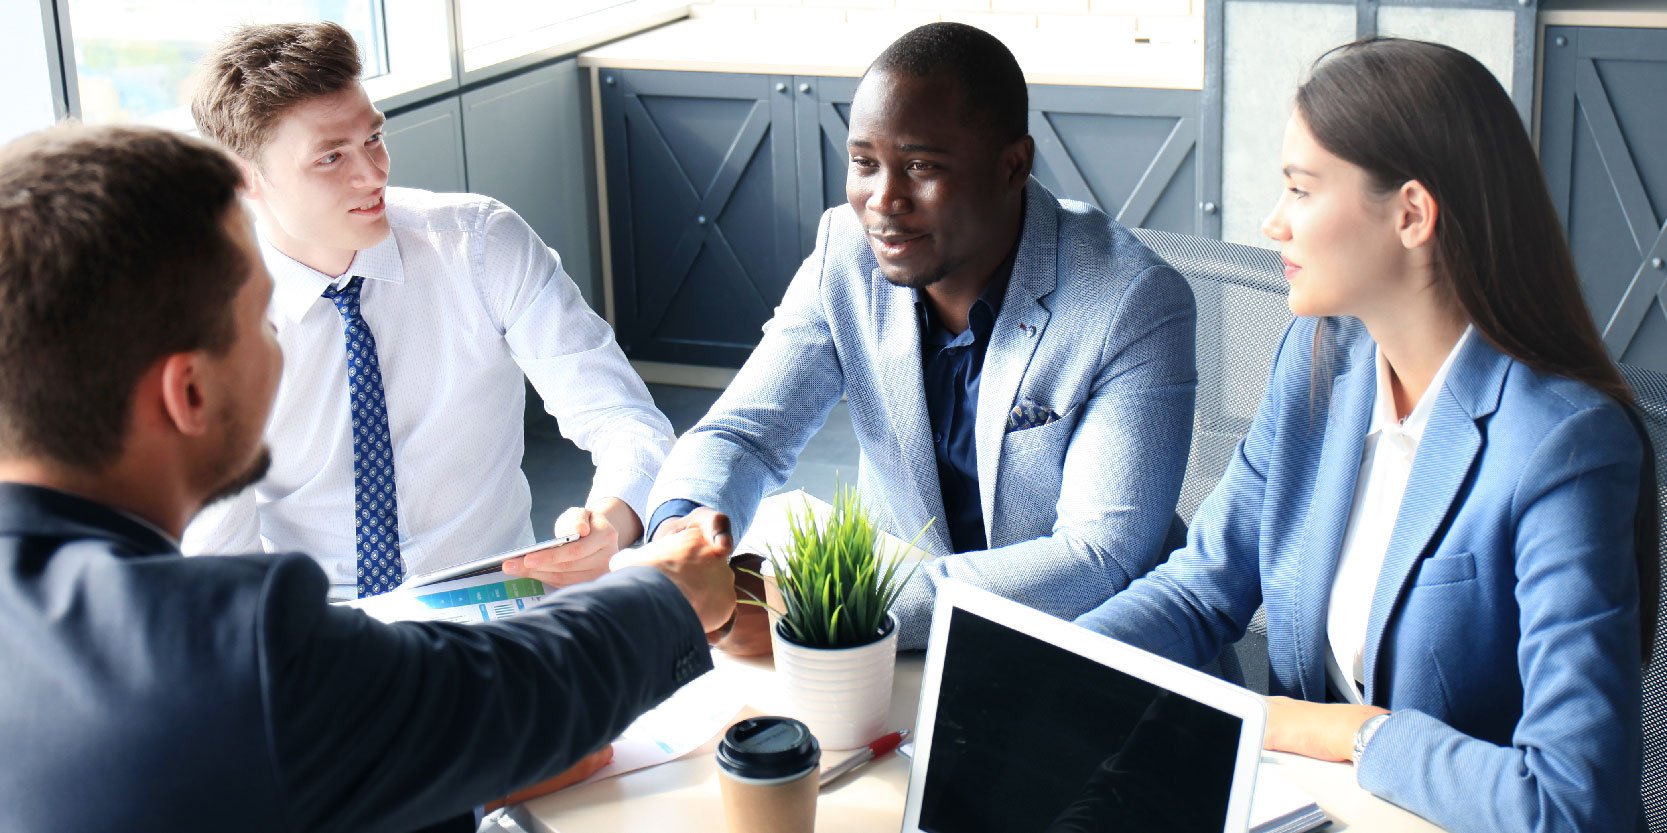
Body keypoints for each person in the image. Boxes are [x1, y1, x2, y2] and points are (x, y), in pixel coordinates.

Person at [0, 122, 736, 833]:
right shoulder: (225, 644)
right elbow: (489, 695)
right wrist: (664, 595)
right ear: (188, 393)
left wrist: (465, 789)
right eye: (263, 321)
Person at [1075, 38, 1656, 833]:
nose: (1272, 221)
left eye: (1300, 189)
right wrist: (1053, 664)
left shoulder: (1563, 448)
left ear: (1411, 213)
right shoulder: (1319, 359)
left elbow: (1571, 801)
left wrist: (1349, 733)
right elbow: (1204, 586)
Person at [645, 22, 1198, 650]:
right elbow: (742, 433)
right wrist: (683, 540)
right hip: (913, 655)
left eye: (920, 166)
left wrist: (826, 615)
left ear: (1013, 165)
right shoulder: (846, 255)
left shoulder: (1132, 300)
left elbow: (1098, 557)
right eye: (864, 163)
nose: (884, 201)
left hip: (1090, 654)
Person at [184, 22, 675, 596]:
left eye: (372, 138)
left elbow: (626, 421)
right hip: (320, 629)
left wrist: (611, 526)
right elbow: (219, 562)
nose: (373, 174)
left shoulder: (481, 246)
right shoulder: (209, 323)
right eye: (330, 158)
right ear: (244, 179)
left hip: (498, 606)